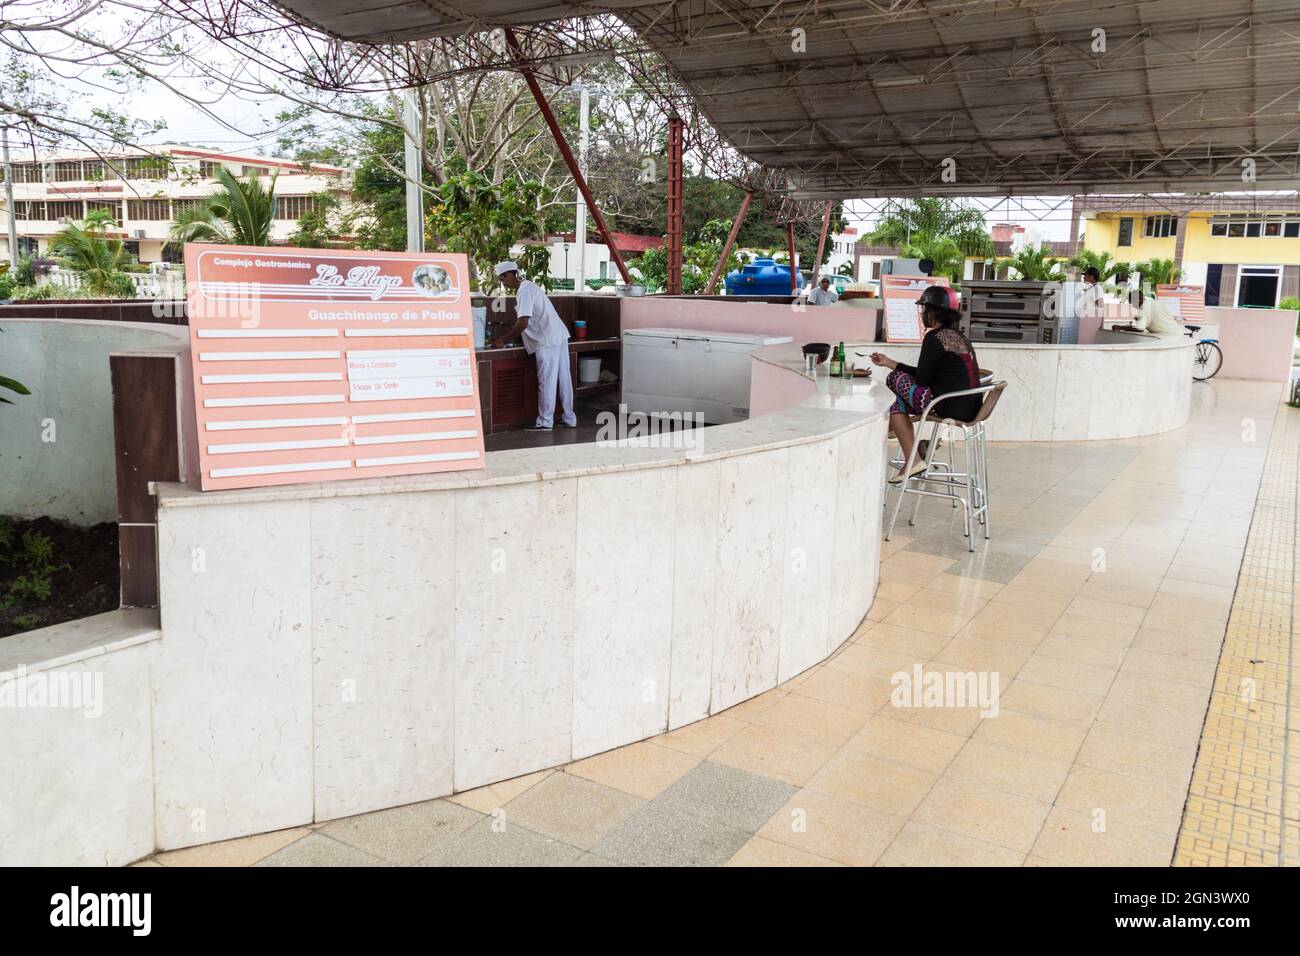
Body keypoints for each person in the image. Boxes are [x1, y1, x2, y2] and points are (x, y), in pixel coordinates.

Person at [870, 285, 982, 484]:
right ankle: (909, 447)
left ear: (934, 312)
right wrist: (889, 362)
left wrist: (893, 369)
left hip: (946, 406)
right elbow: (927, 376)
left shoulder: (934, 338)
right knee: (896, 401)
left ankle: (909, 452)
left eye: (924, 309)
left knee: (893, 381)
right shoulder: (960, 337)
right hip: (972, 408)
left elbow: (922, 380)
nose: (922, 314)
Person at [491, 261, 577, 431]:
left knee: (547, 381)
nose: (503, 284)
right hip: (558, 335)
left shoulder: (524, 290)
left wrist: (503, 340)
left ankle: (545, 422)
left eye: (502, 280)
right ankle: (569, 418)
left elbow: (523, 322)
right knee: (564, 379)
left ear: (509, 275)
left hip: (547, 340)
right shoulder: (529, 287)